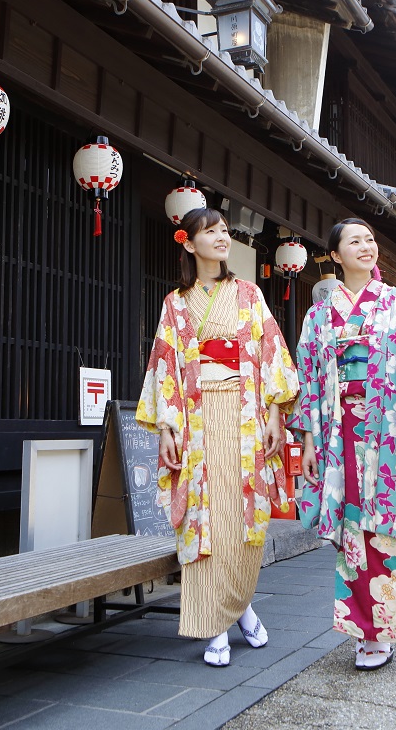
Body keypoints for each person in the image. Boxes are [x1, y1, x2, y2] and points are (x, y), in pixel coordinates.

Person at [292, 215, 396, 671]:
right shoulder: (319, 314)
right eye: (354, 241)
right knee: (351, 532)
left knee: (384, 531)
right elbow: (307, 379)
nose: (366, 246)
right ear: (335, 254)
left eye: (370, 239)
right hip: (338, 429)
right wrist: (307, 443)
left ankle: (379, 632)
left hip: (388, 430)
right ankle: (360, 630)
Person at [137, 207, 298, 667]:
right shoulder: (176, 303)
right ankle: (220, 624)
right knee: (202, 520)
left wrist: (272, 412)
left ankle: (237, 607)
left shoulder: (247, 294)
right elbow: (164, 366)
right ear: (189, 243)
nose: (222, 237)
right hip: (195, 419)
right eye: (211, 232)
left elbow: (271, 352)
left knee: (239, 517)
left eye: (225, 230)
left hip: (243, 415)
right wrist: (166, 427)